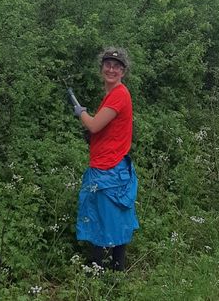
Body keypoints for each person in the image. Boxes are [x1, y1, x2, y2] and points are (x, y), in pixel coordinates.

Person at [70, 47, 139, 271]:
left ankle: (99, 269)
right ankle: (116, 268)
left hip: (108, 166)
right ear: (101, 68)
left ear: (123, 71)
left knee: (101, 218)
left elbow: (94, 124)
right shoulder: (113, 94)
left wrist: (80, 112)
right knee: (115, 218)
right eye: (107, 65)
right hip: (112, 164)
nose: (111, 69)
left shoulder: (119, 94)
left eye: (116, 66)